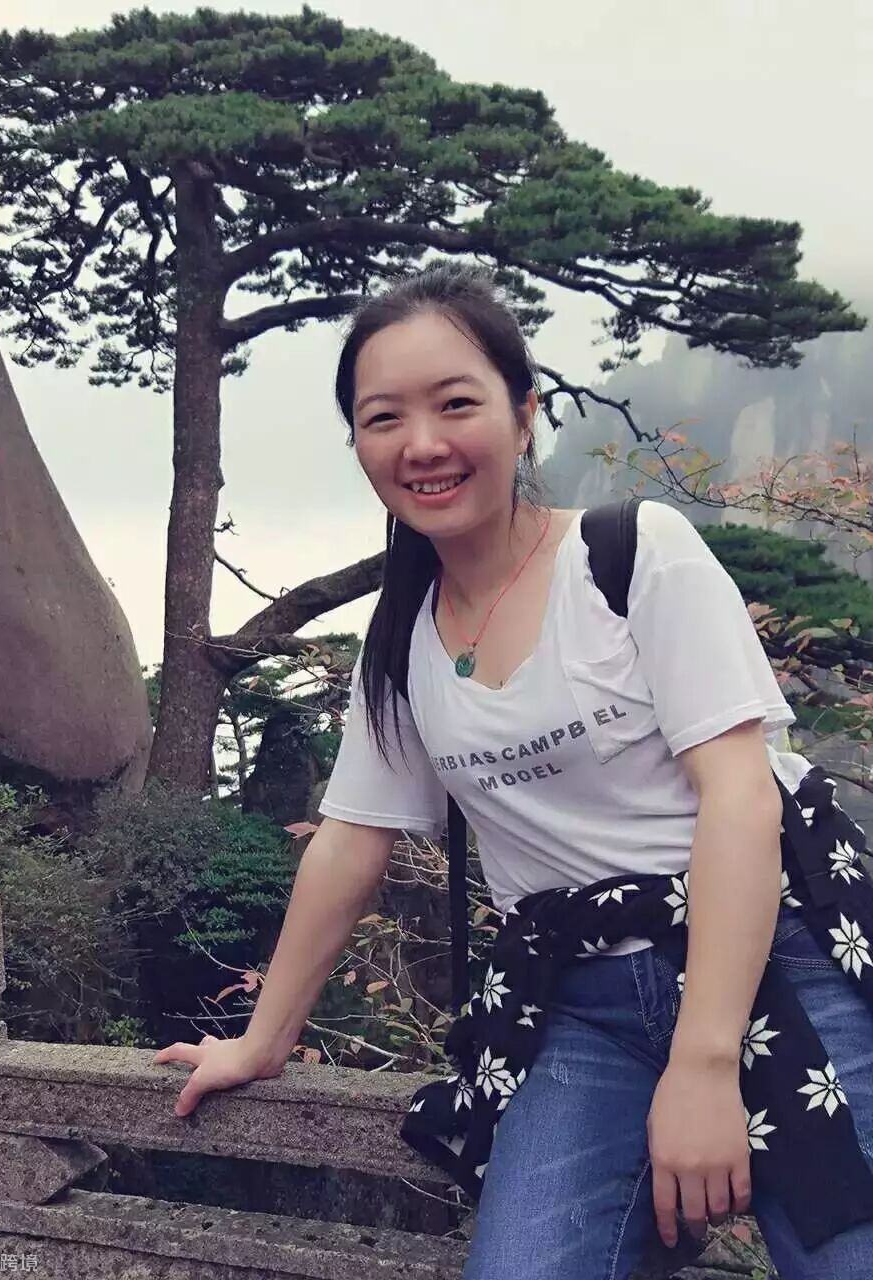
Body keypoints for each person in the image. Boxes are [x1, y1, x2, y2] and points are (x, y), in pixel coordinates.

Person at [155, 263, 873, 1279]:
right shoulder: (401, 643)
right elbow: (352, 839)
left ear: (524, 415)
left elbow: (741, 797)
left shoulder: (631, 555)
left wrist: (706, 1062)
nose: (422, 443)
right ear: (359, 444)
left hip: (771, 962)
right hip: (582, 1005)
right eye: (383, 417)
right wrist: (264, 1038)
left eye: (457, 404)